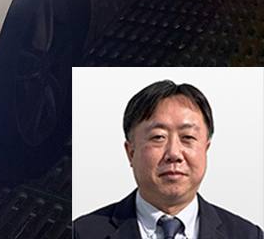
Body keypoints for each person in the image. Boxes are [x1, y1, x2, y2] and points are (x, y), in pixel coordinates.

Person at [73, 80, 263, 239]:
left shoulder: (247, 235)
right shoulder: (82, 232)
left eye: (187, 137)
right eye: (158, 137)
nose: (174, 153)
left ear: (206, 149)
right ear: (131, 152)